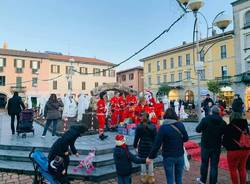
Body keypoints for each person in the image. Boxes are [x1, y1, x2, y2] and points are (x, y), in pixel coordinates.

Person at [147, 108, 189, 184]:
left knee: (170, 179)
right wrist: (178, 141)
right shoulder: (180, 125)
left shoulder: (163, 127)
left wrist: (151, 156)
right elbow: (186, 138)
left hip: (168, 156)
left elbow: (157, 144)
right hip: (179, 154)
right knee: (179, 178)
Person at [196, 106, 226, 184]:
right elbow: (225, 133)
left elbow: (197, 129)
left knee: (204, 163)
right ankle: (213, 182)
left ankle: (203, 180)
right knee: (214, 165)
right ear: (219, 112)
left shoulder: (205, 120)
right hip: (216, 146)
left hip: (206, 145)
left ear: (211, 111)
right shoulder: (222, 122)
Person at [222, 112, 250, 184]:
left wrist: (227, 146)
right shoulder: (245, 126)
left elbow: (224, 141)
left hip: (233, 151)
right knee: (242, 168)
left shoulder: (229, 127)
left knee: (233, 169)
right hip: (246, 150)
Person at [133, 112, 157, 184]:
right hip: (150, 146)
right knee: (150, 161)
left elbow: (136, 138)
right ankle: (151, 177)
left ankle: (143, 176)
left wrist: (135, 145)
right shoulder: (153, 126)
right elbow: (155, 138)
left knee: (142, 161)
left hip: (142, 146)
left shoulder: (139, 126)